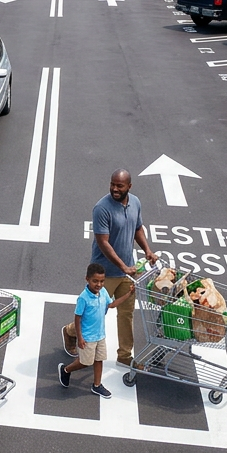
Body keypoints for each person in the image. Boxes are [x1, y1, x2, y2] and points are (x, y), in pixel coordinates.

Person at [63, 170, 157, 367]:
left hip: (128, 273)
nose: (115, 189)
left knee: (126, 313)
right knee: (93, 315)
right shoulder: (102, 209)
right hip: (104, 274)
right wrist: (123, 266)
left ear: (129, 187)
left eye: (119, 186)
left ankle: (124, 356)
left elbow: (138, 228)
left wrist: (147, 250)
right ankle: (70, 331)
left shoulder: (135, 203)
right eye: (112, 184)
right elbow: (103, 242)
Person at [59, 263, 134, 399]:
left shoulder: (103, 292)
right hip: (88, 337)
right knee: (85, 362)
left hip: (100, 335)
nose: (98, 284)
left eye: (101, 281)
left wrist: (129, 294)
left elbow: (111, 304)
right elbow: (77, 318)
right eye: (95, 281)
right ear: (87, 279)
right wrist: (80, 338)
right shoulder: (83, 298)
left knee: (99, 359)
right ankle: (66, 369)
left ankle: (97, 385)